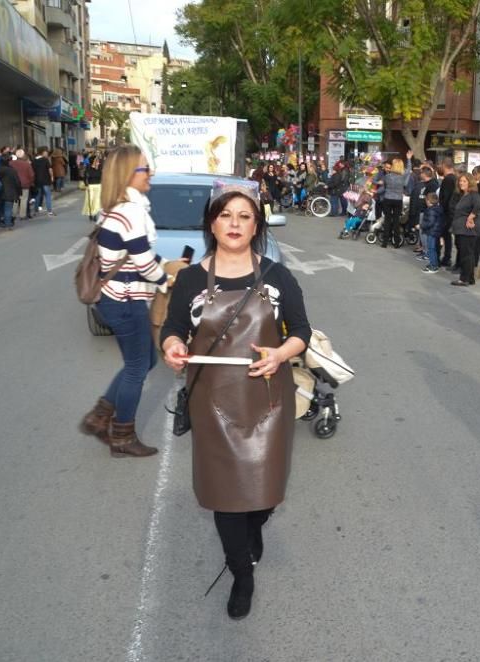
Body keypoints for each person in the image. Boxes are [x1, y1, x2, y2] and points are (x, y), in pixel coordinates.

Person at [160, 181, 311, 621]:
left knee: (262, 498)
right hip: (213, 403)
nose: (235, 224)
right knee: (226, 497)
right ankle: (241, 573)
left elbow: (301, 330)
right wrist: (171, 346)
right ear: (212, 221)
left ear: (256, 225)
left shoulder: (277, 276)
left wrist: (282, 353)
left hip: (267, 400)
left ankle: (254, 529)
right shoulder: (190, 277)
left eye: (245, 217)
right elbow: (172, 327)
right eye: (227, 215)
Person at [78, 145, 168, 458]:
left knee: (145, 361)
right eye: (145, 168)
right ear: (129, 174)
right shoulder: (131, 212)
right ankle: (121, 436)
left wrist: (164, 264)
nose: (151, 173)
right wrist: (168, 281)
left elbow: (136, 255)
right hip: (125, 301)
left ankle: (100, 416)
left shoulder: (115, 208)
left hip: (115, 299)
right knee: (137, 367)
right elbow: (144, 264)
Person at [449, 173, 480, 287]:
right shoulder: (463, 195)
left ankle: (464, 278)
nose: (461, 183)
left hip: (468, 229)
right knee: (468, 253)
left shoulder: (473, 194)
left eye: (464, 181)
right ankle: (470, 278)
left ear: (470, 182)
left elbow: (478, 206)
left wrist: (470, 217)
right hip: (461, 228)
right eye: (460, 181)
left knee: (466, 254)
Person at [379, 159, 406, 248]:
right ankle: (396, 242)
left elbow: (385, 186)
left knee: (387, 220)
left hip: (388, 198)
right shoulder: (403, 177)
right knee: (396, 221)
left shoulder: (388, 176)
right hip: (398, 199)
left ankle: (385, 242)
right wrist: (409, 159)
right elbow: (409, 170)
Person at [437, 160, 457, 268]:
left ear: (445, 167)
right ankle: (446, 257)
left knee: (443, 235)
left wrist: (443, 209)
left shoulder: (448, 179)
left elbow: (446, 197)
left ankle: (445, 257)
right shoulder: (454, 179)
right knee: (447, 236)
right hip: (450, 212)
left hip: (446, 212)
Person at [420, 191, 444, 274]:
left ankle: (433, 265)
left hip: (432, 232)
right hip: (436, 231)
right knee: (433, 249)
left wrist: (421, 226)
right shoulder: (437, 209)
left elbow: (430, 222)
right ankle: (434, 264)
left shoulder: (431, 210)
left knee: (431, 249)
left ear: (428, 201)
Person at [0, 155, 21, 230]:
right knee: (8, 209)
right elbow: (17, 182)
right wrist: (18, 192)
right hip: (10, 192)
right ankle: (8, 224)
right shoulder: (12, 170)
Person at [11, 149, 34, 220]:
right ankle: (22, 215)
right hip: (25, 184)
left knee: (15, 199)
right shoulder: (26, 164)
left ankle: (13, 214)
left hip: (14, 184)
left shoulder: (11, 163)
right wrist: (30, 182)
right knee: (24, 199)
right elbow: (31, 175)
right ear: (23, 155)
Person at [32, 147, 55, 217]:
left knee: (38, 195)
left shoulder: (34, 160)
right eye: (46, 152)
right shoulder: (45, 160)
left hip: (37, 180)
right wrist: (52, 177)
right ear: (42, 152)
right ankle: (50, 211)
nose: (47, 153)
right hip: (45, 180)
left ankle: (35, 211)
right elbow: (50, 169)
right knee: (47, 195)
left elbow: (32, 171)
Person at [82, 153, 104, 222]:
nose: (98, 162)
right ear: (93, 161)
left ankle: (94, 214)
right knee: (90, 200)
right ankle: (90, 213)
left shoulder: (100, 168)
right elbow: (84, 178)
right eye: (96, 161)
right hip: (90, 187)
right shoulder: (88, 168)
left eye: (98, 161)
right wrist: (86, 185)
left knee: (96, 201)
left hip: (98, 186)